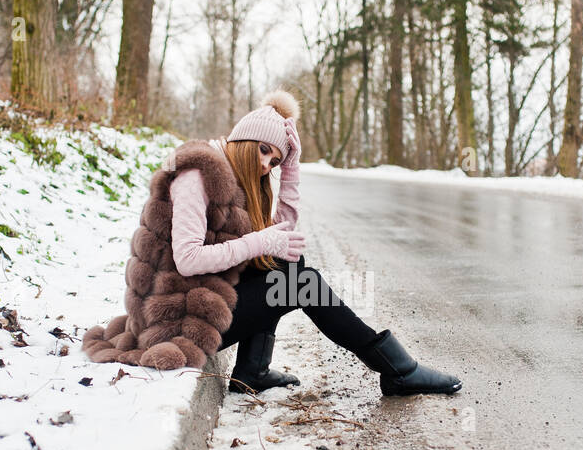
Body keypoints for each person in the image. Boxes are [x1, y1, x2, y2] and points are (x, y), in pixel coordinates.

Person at [82, 90, 462, 397]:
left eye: (275, 161)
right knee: (296, 282)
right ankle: (397, 370)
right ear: (245, 140)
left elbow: (282, 237)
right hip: (174, 320)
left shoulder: (236, 179)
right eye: (265, 152)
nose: (268, 165)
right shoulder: (197, 176)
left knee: (286, 268)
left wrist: (292, 170)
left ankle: (252, 371)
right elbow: (188, 259)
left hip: (201, 300)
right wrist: (260, 241)